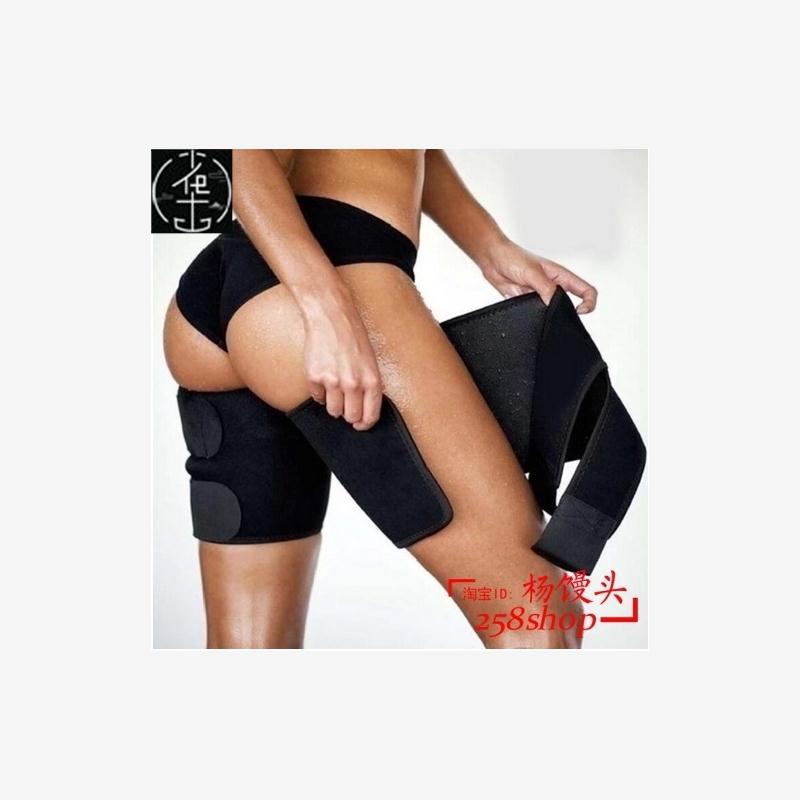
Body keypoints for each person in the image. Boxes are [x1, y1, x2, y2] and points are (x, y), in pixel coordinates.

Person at [164, 149, 598, 649]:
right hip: (324, 273)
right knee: (541, 617)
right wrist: (327, 306)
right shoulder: (327, 291)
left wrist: (489, 244)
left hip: (240, 282)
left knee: (250, 646)